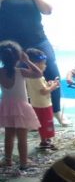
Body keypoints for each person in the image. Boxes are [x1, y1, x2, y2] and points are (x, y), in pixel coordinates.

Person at [0, 0, 65, 126]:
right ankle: (19, 117)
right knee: (14, 75)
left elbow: (48, 10)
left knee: (51, 70)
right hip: (9, 43)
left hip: (37, 38)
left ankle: (56, 111)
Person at [0, 40, 41, 170]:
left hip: (6, 107)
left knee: (8, 135)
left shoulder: (0, 72)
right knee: (22, 138)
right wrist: (27, 61)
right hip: (21, 108)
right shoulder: (21, 71)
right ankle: (24, 162)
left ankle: (8, 160)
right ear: (18, 57)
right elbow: (39, 73)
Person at [24, 47, 57, 150]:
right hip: (42, 105)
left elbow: (42, 88)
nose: (45, 65)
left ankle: (45, 139)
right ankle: (44, 141)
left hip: (38, 103)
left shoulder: (32, 75)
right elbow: (43, 91)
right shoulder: (37, 77)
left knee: (43, 122)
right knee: (45, 122)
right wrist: (54, 86)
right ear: (36, 64)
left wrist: (49, 84)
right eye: (44, 63)